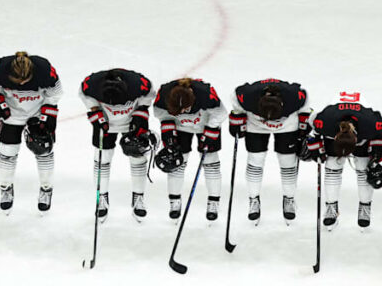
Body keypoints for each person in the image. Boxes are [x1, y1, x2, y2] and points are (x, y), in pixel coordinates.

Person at [0, 51, 63, 213]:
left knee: (44, 151)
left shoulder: (43, 70)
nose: (21, 84)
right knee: (7, 153)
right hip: (12, 114)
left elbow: (56, 92)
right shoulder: (0, 69)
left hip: (38, 113)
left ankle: (46, 188)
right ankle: (6, 188)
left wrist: (47, 114)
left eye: (24, 81)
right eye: (17, 81)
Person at [229, 79, 310, 224]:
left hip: (286, 124)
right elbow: (235, 97)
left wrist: (304, 124)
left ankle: (289, 198)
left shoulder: (293, 97)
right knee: (255, 160)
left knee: (288, 162)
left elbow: (305, 101)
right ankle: (253, 198)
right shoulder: (248, 96)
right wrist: (237, 116)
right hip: (256, 124)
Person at [79, 68, 155, 222]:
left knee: (137, 156)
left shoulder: (138, 84)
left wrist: (140, 113)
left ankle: (138, 197)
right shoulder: (92, 84)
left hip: (131, 121)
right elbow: (84, 94)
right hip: (105, 122)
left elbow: (148, 95)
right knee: (102, 157)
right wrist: (95, 111)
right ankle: (102, 197)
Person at [300, 96, 382, 228]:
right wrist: (316, 149)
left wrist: (376, 155)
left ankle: (365, 206)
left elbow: (379, 135)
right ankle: (331, 207)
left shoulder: (371, 124)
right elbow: (313, 130)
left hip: (361, 125)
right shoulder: (324, 122)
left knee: (363, 168)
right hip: (336, 119)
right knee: (332, 165)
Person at [152, 78, 226, 221]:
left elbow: (221, 113)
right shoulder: (164, 93)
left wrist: (211, 130)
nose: (182, 113)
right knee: (176, 161)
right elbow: (159, 112)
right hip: (180, 127)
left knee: (211, 162)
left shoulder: (205, 94)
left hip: (206, 124)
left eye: (184, 110)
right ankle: (174, 201)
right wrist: (168, 128)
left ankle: (213, 202)